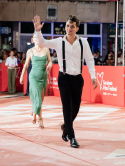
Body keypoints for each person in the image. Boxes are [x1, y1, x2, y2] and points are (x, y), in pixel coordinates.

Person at [32, 15, 97, 148]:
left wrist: (93, 76)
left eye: (72, 26)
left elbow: (89, 60)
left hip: (78, 78)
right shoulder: (59, 42)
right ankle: (72, 137)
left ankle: (65, 127)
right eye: (67, 26)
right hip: (64, 78)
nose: (69, 28)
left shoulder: (83, 43)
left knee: (76, 108)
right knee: (66, 108)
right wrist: (38, 31)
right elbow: (43, 43)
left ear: (77, 28)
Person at [20, 33, 52, 129]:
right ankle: (40, 118)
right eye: (34, 37)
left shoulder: (46, 49)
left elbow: (50, 61)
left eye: (38, 37)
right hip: (33, 77)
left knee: (40, 100)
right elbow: (26, 65)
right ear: (32, 40)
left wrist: (50, 64)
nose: (36, 39)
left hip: (43, 76)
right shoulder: (30, 51)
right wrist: (22, 76)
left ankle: (34, 112)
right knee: (37, 98)